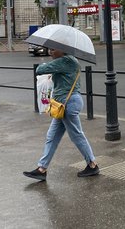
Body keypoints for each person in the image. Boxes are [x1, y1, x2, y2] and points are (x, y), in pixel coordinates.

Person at [23, 48, 99, 182]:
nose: (50, 52)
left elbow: (39, 70)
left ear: (63, 50)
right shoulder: (68, 60)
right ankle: (42, 169)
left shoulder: (65, 61)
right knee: (52, 136)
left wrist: (47, 66)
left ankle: (92, 164)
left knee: (76, 135)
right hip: (62, 105)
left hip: (67, 104)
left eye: (53, 49)